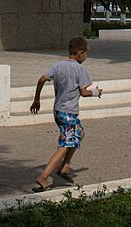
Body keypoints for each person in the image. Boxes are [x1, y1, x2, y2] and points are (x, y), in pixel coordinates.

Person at [29, 35, 102, 191]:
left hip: (58, 111)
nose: (86, 57)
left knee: (80, 133)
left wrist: (37, 100)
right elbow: (83, 92)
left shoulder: (58, 66)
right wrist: (96, 92)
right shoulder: (80, 69)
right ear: (81, 53)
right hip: (69, 113)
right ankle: (43, 177)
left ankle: (65, 166)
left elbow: (41, 80)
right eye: (86, 54)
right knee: (64, 145)